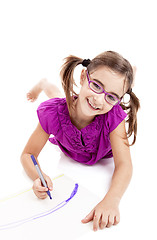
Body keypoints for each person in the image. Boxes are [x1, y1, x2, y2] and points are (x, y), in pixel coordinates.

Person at [21, 51, 140, 231]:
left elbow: (125, 164)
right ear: (84, 76)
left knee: (72, 99)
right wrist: (39, 177)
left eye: (111, 96)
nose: (99, 99)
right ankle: (44, 84)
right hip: (66, 111)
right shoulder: (53, 115)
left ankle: (129, 75)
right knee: (57, 98)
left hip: (99, 145)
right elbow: (28, 154)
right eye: (97, 86)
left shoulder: (113, 117)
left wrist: (112, 199)